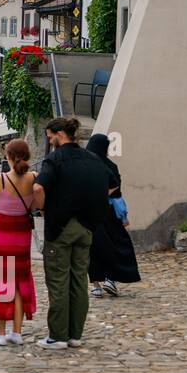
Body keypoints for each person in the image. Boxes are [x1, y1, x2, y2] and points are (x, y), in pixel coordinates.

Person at [33, 117, 112, 350]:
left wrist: (43, 208)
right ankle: (75, 334)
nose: (50, 141)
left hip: (61, 227)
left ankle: (58, 336)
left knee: (58, 281)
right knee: (79, 280)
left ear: (59, 134)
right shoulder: (93, 159)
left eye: (49, 137)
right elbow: (108, 186)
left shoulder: (55, 159)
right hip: (86, 227)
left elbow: (38, 187)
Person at [0, 138, 39, 345]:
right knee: (20, 283)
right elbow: (37, 205)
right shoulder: (34, 179)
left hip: (0, 236)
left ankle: (1, 334)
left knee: (1, 283)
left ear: (9, 157)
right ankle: (17, 333)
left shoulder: (0, 179)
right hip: (21, 236)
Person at [85, 134, 141, 298]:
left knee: (93, 248)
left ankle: (95, 285)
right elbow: (116, 190)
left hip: (91, 212)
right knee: (113, 245)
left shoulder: (86, 164)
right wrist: (123, 215)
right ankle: (110, 278)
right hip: (110, 213)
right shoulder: (111, 166)